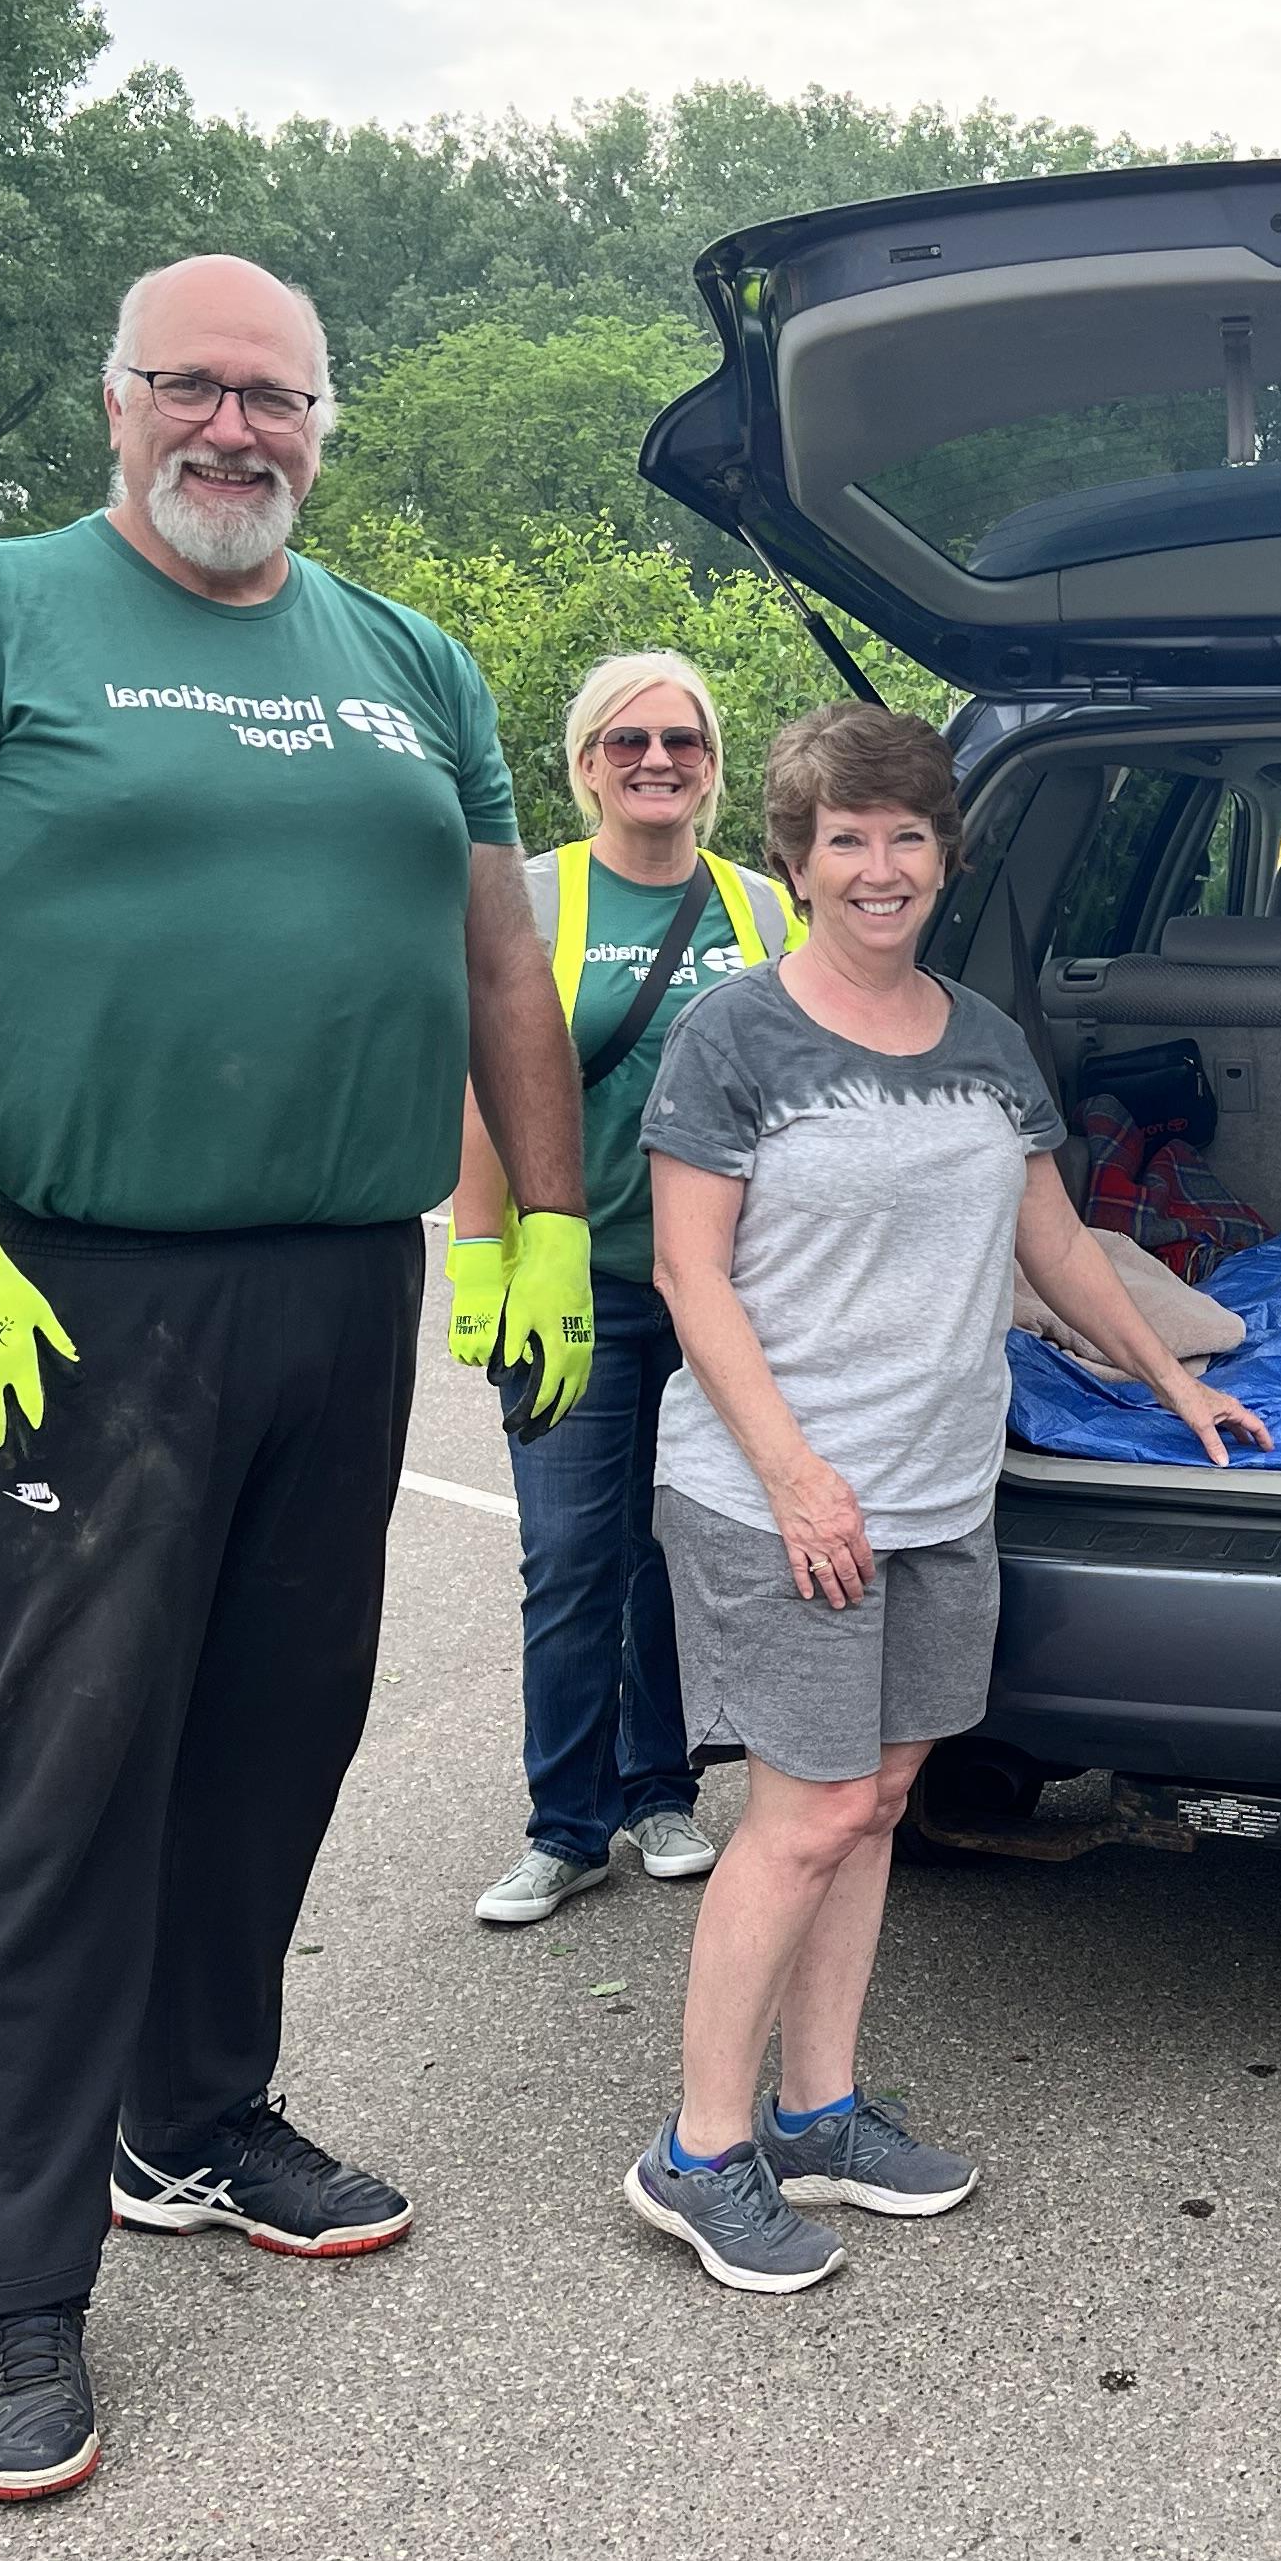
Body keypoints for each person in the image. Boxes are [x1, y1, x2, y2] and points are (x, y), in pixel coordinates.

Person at [0, 254, 595, 2503]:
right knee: (69, 1782)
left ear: (327, 425)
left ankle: (200, 2118)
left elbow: (500, 965)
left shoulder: (407, 662)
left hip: (335, 1287)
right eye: (194, 389)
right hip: (73, 1295)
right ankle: (24, 2288)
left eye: (279, 398)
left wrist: (545, 1219)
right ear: (120, 401)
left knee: (272, 1737)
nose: (234, 431)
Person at [620, 703, 1270, 2293]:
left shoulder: (983, 1036)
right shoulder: (737, 1035)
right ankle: (697, 2155)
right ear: (795, 857)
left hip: (935, 1485)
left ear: (944, 855)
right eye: (846, 835)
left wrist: (1165, 1376)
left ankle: (821, 2112)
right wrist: (793, 1475)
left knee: (882, 1802)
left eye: (908, 833)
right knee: (802, 1814)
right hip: (779, 1490)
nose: (881, 863)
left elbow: (1056, 1246)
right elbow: (685, 1270)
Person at [456, 654, 797, 1924]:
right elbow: (486, 1093)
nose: (657, 761)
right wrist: (480, 1262)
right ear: (586, 761)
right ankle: (563, 1822)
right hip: (577, 1292)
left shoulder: (764, 909)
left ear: (713, 762)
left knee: (678, 1551)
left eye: (684, 741)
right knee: (568, 1557)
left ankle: (661, 1791)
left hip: (722, 1297)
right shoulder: (535, 897)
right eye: (626, 741)